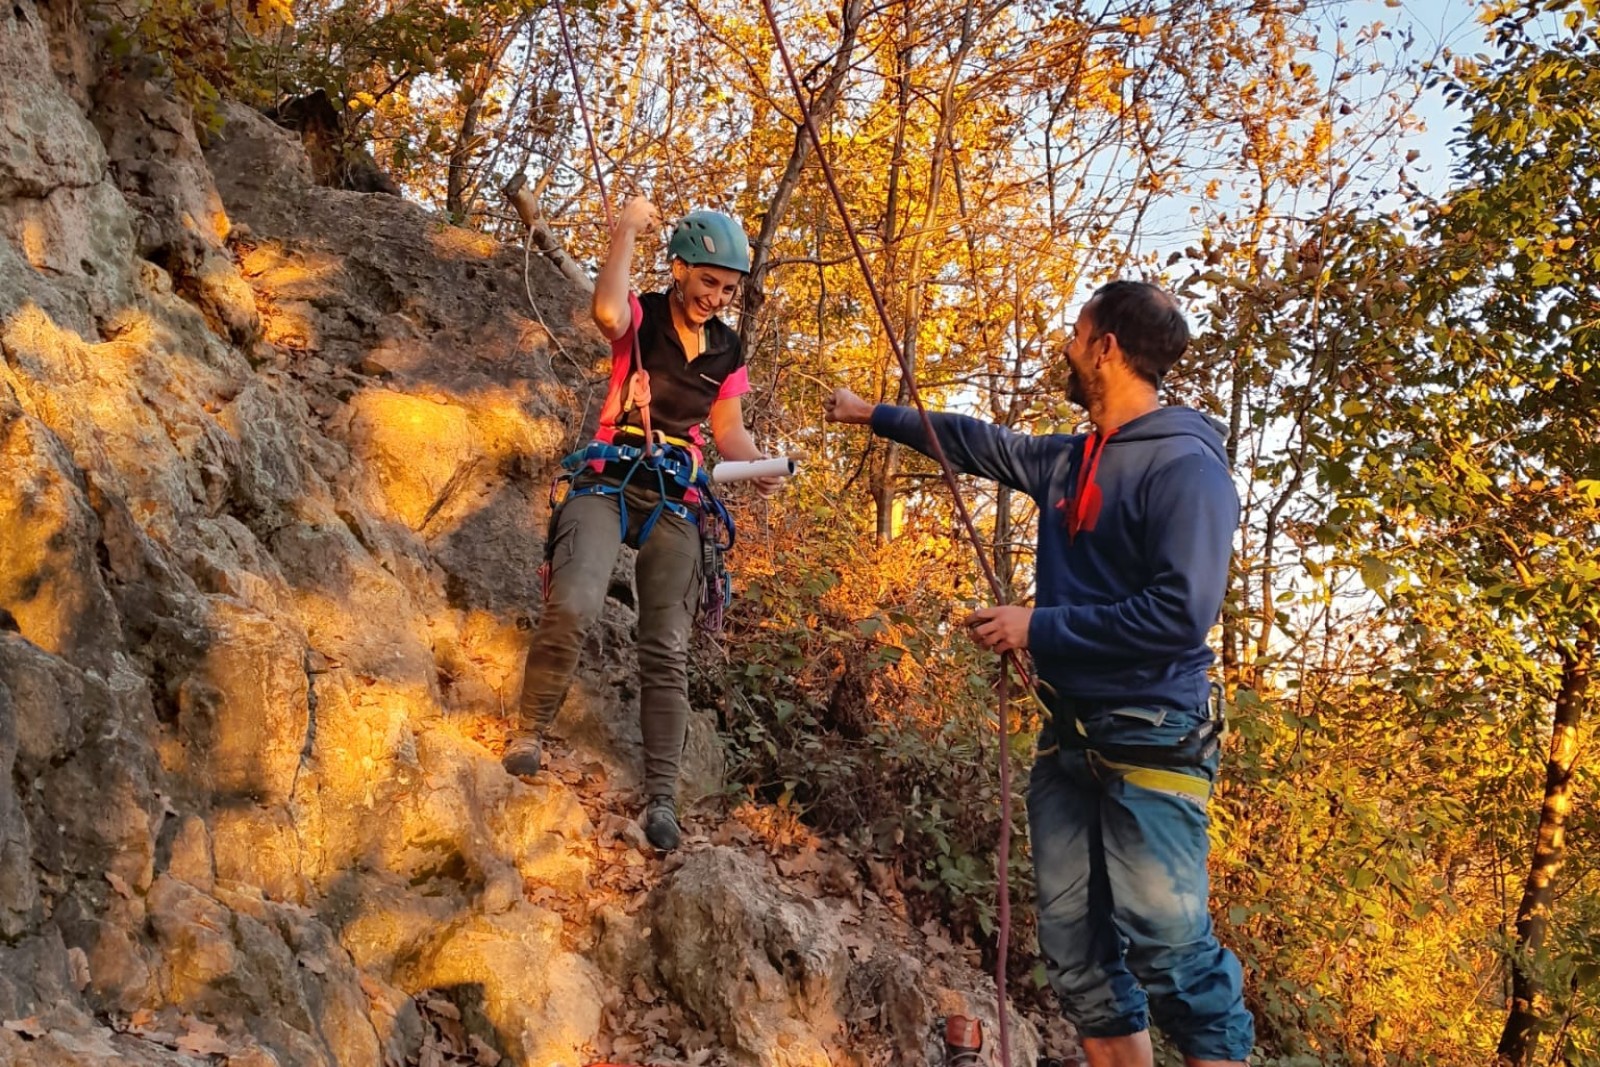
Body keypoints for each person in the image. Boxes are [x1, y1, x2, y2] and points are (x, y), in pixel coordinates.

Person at [824, 280, 1254, 1066]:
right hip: (1069, 742)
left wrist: (1037, 626)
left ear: (1107, 348)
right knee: (1075, 951)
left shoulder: (1185, 466)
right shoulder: (1070, 459)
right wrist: (870, 413)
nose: (1067, 345)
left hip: (1154, 737)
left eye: (1077, 333)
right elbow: (975, 441)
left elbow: (1180, 613)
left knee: (1170, 950)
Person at [504, 195, 782, 851]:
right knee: (573, 601)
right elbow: (606, 311)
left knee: (668, 645)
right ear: (679, 269)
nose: (716, 296)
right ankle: (528, 733)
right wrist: (626, 228)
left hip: (675, 496)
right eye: (707, 280)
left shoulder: (727, 349)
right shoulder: (644, 316)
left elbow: (729, 431)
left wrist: (758, 464)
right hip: (609, 476)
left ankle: (662, 797)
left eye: (728, 288)